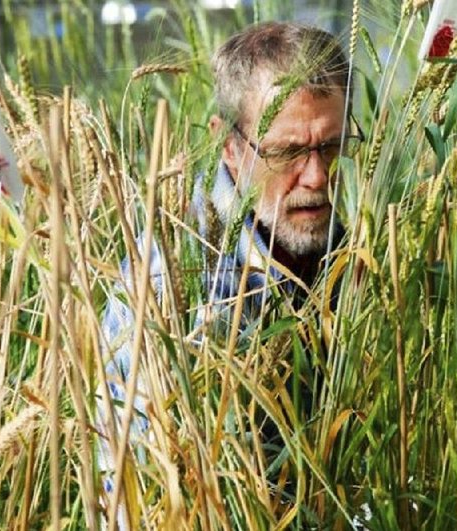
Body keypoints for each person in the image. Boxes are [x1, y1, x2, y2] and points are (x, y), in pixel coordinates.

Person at [97, 20, 364, 526]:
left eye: (331, 146)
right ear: (230, 147)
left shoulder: (348, 250)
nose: (317, 176)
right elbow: (137, 498)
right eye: (286, 151)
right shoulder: (176, 285)